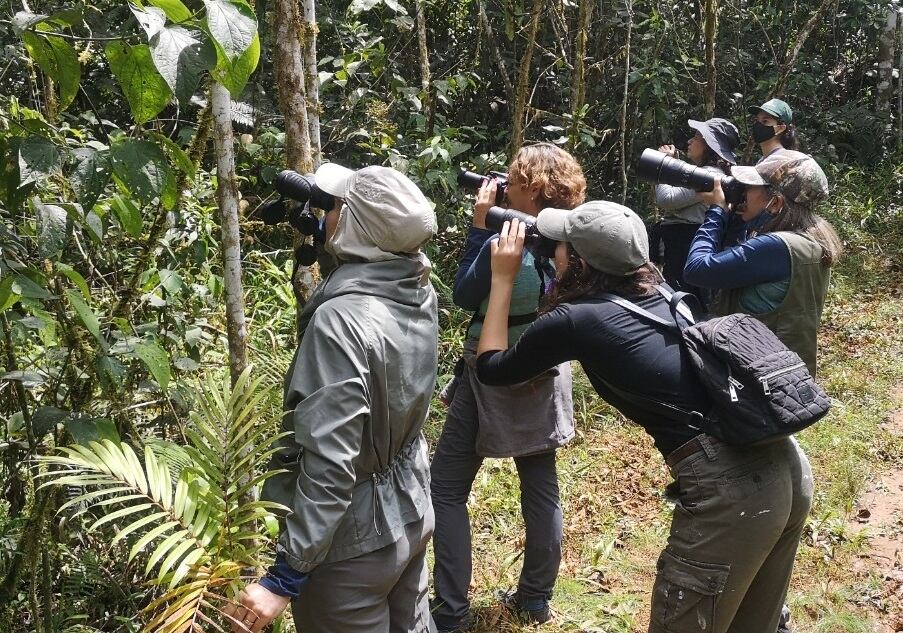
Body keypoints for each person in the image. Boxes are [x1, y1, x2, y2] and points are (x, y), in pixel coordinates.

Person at [474, 203, 814, 633]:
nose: (551, 253)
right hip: (784, 464)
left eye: (558, 246)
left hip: (734, 489)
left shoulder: (577, 319)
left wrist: (503, 279)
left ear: (577, 261)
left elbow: (493, 370)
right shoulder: (661, 292)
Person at [224, 164, 439, 633]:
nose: (328, 215)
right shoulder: (418, 287)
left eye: (338, 208)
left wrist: (286, 575)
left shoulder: (339, 323)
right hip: (411, 511)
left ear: (357, 229)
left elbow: (330, 460)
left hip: (350, 548)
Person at [430, 143, 585, 631]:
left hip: (490, 373)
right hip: (543, 366)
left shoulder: (509, 239)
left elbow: (463, 296)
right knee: (539, 485)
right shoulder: (570, 242)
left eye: (513, 179)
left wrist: (480, 228)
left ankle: (450, 612)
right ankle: (535, 598)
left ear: (532, 190)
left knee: (447, 489)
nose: (504, 185)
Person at [685, 150, 842, 376]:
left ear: (775, 202)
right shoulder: (808, 239)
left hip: (758, 375)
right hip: (785, 371)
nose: (742, 192)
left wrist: (716, 212)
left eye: (748, 188)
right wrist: (737, 219)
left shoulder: (775, 246)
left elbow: (696, 270)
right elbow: (737, 269)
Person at [650, 118, 740, 306]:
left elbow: (667, 199)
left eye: (697, 137)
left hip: (687, 243)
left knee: (685, 302)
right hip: (684, 242)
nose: (690, 141)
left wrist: (663, 165)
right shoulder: (706, 172)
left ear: (710, 145)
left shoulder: (710, 176)